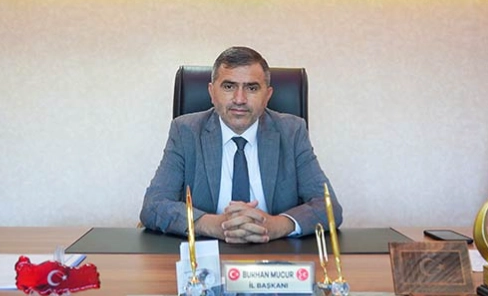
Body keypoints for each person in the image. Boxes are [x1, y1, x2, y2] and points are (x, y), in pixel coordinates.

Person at [140, 47, 341, 243]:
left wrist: (275, 226)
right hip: (206, 252)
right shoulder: (185, 131)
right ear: (212, 92)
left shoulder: (292, 131)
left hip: (275, 251)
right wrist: (212, 225)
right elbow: (153, 205)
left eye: (252, 88)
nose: (239, 99)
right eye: (229, 87)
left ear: (267, 95)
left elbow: (328, 206)